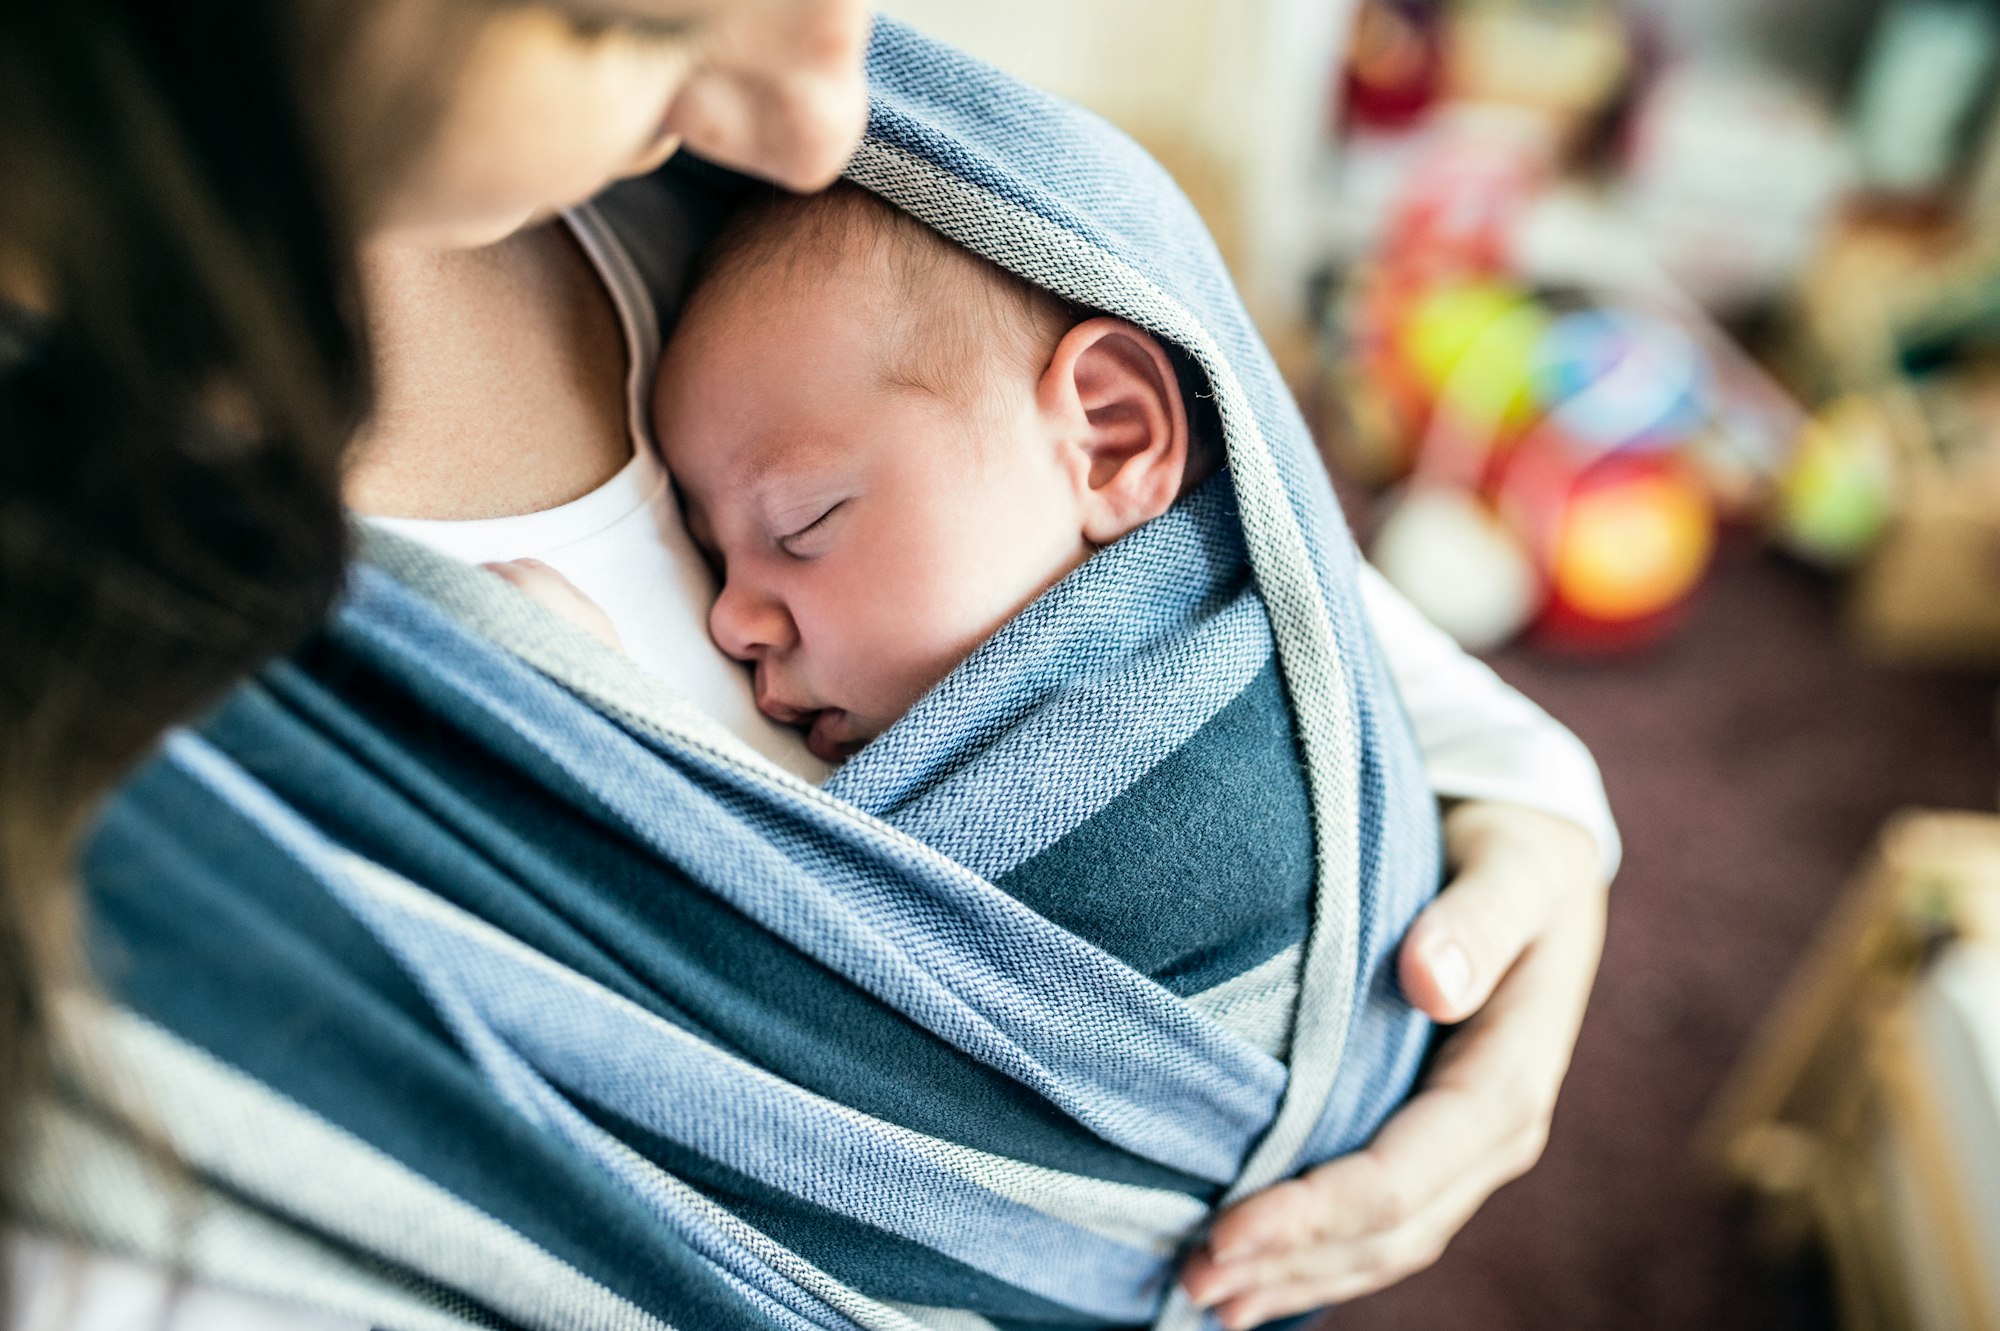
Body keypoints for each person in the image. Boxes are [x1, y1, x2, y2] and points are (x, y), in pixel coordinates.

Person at [0, 3, 1612, 1328]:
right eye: (639, 23)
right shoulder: (122, 767)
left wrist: (1534, 806)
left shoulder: (862, 207)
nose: (823, 109)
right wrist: (597, 783)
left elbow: (1230, 551)